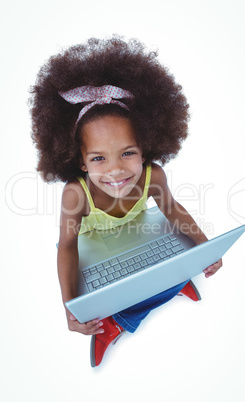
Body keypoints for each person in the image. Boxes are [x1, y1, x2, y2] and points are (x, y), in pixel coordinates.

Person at [30, 36, 222, 367]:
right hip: (97, 252)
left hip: (139, 239)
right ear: (80, 161)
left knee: (172, 257)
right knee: (111, 295)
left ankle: (174, 283)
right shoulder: (77, 193)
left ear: (145, 147)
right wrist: (70, 306)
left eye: (128, 153)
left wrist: (204, 247)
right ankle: (117, 323)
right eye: (99, 158)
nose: (116, 170)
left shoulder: (153, 176)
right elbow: (67, 247)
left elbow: (173, 210)